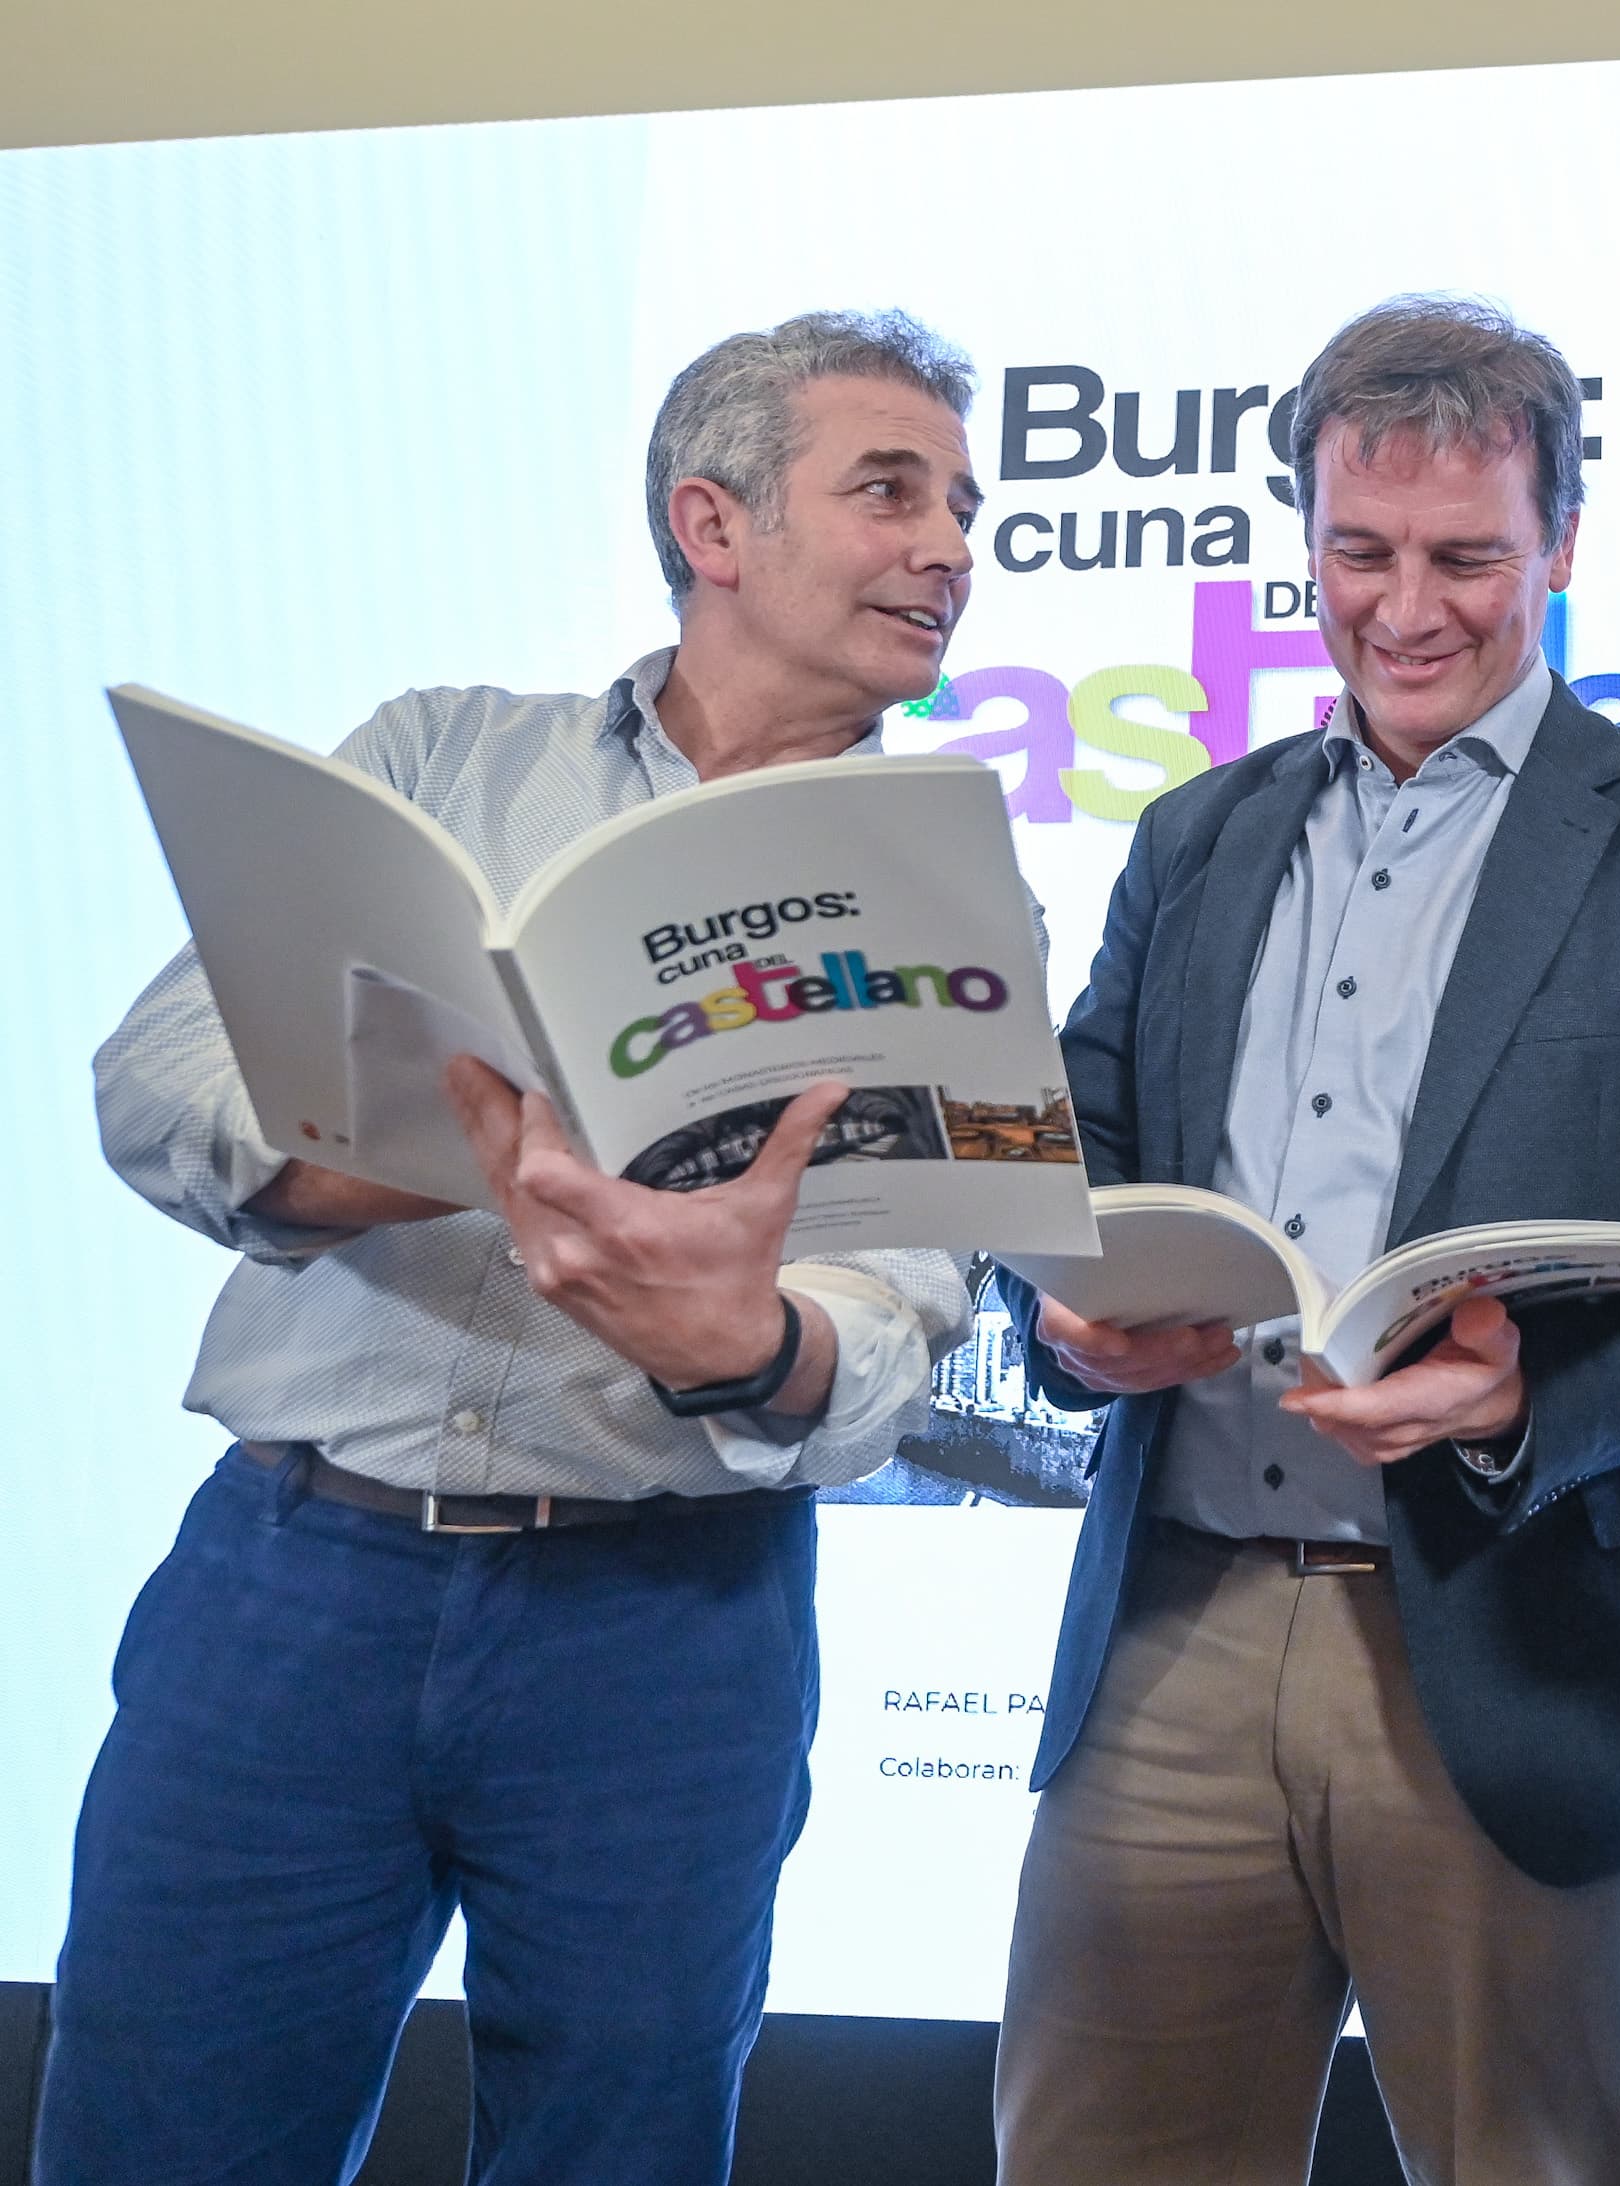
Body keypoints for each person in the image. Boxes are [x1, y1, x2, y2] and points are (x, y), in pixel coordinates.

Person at [49, 311, 994, 2184]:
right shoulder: (437, 756)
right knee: (157, 2138)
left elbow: (901, 1321)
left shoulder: (949, 893)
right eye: (890, 492)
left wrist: (750, 1343)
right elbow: (152, 1082)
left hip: (666, 1633)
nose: (951, 548)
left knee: (615, 2155)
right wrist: (421, 1148)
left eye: (967, 508)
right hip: (289, 1581)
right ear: (711, 525)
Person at [985, 296, 1620, 2186]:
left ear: (1564, 548)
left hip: (1523, 1644)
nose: (1408, 605)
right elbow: (1077, 1164)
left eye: (1467, 556)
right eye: (1360, 554)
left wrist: (1532, 1394)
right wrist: (1069, 1321)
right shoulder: (1194, 833)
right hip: (1175, 1626)